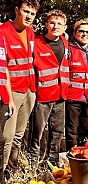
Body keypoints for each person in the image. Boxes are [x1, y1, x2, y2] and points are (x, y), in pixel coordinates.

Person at [0, 0, 40, 171]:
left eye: (32, 13)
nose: (29, 16)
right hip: (12, 92)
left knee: (18, 135)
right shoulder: (3, 32)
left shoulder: (30, 33)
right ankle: (1, 176)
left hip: (29, 90)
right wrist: (8, 98)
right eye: (26, 11)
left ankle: (11, 171)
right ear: (16, 10)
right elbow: (3, 68)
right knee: (6, 136)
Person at [27, 10, 69, 165]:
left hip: (61, 95)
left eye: (59, 23)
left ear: (65, 27)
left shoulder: (65, 42)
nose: (55, 26)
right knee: (37, 131)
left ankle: (51, 160)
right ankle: (32, 161)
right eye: (52, 22)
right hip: (42, 95)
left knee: (57, 131)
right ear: (46, 24)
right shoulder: (36, 43)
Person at [65, 19, 88, 151]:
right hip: (73, 97)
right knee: (72, 130)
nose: (85, 34)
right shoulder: (69, 49)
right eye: (81, 31)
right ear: (75, 33)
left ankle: (83, 156)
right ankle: (72, 156)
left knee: (85, 130)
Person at [0, 31, 16, 184]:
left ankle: (1, 183)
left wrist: (10, 98)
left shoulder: (1, 37)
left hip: (2, 97)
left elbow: (4, 69)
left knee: (2, 139)